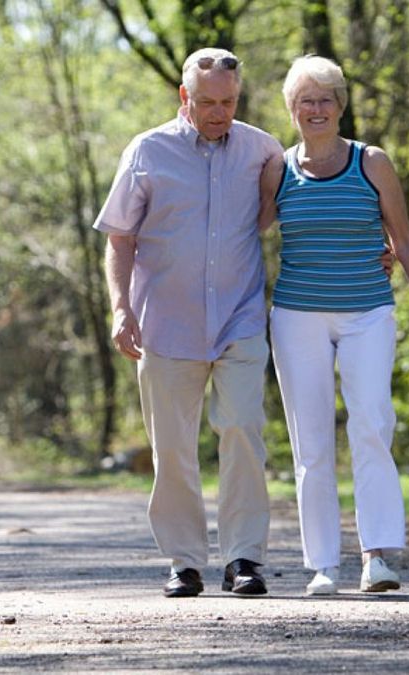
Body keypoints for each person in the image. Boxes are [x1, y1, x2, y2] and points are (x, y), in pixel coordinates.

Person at [93, 48, 282, 597]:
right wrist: (121, 308)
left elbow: (295, 209)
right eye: (207, 102)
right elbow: (120, 238)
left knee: (244, 431)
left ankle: (245, 558)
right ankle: (184, 561)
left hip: (239, 318)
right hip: (166, 325)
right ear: (184, 98)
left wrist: (378, 249)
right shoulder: (147, 151)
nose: (219, 112)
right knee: (172, 446)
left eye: (228, 101)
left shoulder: (261, 149)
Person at [261, 55, 409, 595]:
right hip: (296, 317)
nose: (316, 109)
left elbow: (404, 238)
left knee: (371, 424)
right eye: (305, 101)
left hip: (368, 312)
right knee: (311, 443)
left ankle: (377, 557)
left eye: (325, 99)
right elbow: (244, 233)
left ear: (341, 106)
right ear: (292, 110)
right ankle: (322, 565)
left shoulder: (372, 162)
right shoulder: (278, 168)